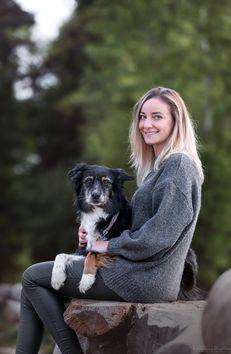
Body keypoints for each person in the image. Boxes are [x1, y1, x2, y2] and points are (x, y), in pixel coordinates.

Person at [15, 86, 204, 354]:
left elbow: (159, 236)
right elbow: (142, 227)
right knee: (35, 284)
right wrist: (93, 238)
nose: (146, 124)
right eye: (142, 116)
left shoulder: (179, 166)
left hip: (145, 280)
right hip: (139, 273)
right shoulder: (161, 167)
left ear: (176, 120)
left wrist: (107, 246)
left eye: (157, 116)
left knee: (32, 278)